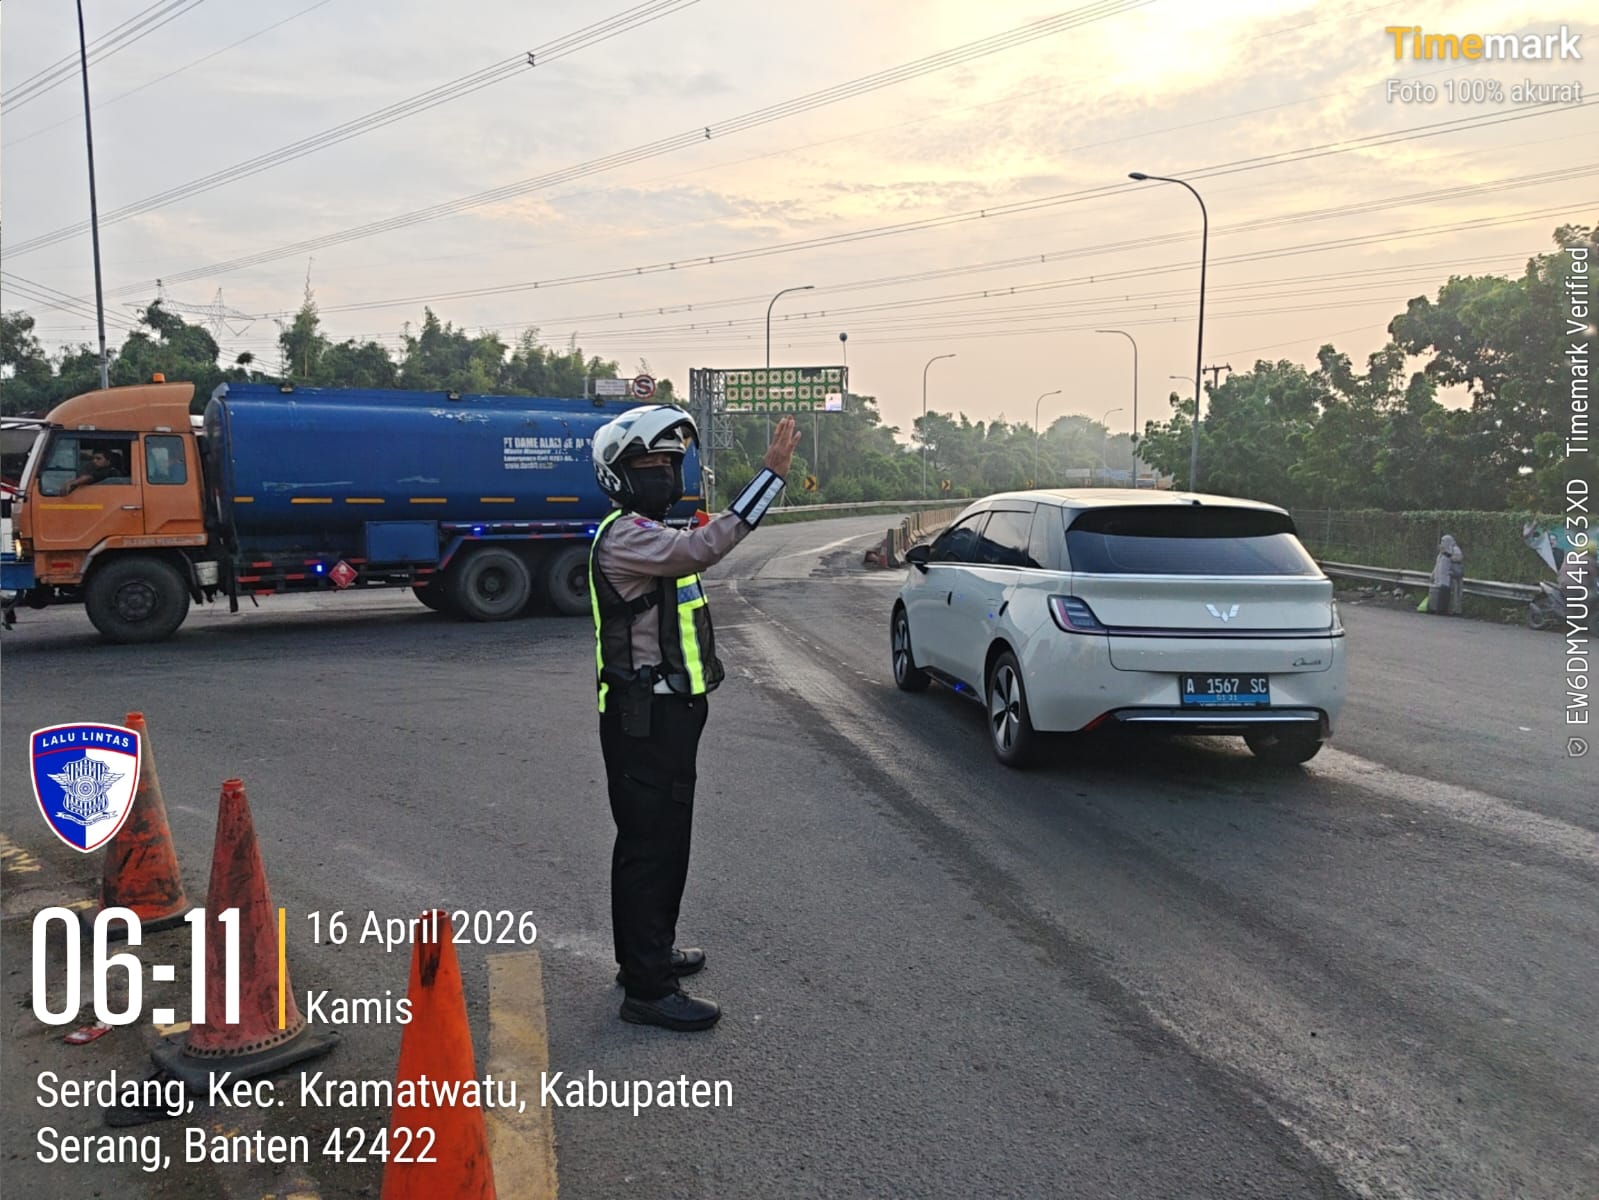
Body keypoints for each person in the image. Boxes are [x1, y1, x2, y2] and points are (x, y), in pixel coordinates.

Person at [588, 404, 800, 1031]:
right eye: (651, 463)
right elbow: (704, 547)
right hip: (644, 717)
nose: (665, 473)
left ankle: (648, 955)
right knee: (651, 850)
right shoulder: (628, 536)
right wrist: (769, 479)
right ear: (619, 474)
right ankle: (647, 989)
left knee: (661, 844)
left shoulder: (650, 532)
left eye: (672, 462)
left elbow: (690, 548)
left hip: (665, 712)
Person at [1428, 533, 1463, 616]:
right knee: (1439, 593)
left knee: (1449, 594)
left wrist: (1447, 554)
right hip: (1439, 578)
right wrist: (1433, 574)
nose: (1442, 543)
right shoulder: (1441, 552)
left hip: (1449, 577)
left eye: (1444, 541)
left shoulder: (1454, 549)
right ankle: (1437, 609)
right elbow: (1437, 564)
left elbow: (1458, 559)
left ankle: (1447, 610)